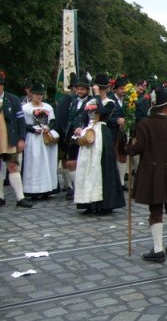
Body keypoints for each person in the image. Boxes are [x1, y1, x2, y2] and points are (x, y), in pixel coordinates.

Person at [127, 88, 167, 263]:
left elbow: (134, 149)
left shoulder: (143, 125)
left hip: (152, 172)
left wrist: (128, 141)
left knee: (156, 211)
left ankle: (158, 249)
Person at [74, 73, 125, 215]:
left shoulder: (110, 102)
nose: (99, 91)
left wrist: (96, 96)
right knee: (87, 167)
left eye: (101, 89)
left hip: (102, 133)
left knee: (101, 167)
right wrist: (79, 127)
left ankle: (104, 203)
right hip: (89, 133)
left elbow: (102, 112)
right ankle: (89, 202)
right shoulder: (88, 103)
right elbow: (83, 117)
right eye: (98, 89)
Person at [21, 82, 60, 199]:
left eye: (41, 95)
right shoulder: (25, 108)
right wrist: (32, 130)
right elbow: (22, 123)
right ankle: (33, 188)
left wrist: (49, 127)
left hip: (46, 136)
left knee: (48, 162)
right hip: (33, 138)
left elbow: (53, 120)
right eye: (37, 94)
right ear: (31, 94)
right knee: (34, 162)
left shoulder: (48, 107)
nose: (39, 97)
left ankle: (48, 187)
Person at [0, 70, 32, 207]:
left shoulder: (12, 99)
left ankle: (20, 198)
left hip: (9, 138)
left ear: (3, 85)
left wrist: (21, 139)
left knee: (13, 166)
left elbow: (20, 121)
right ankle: (0, 197)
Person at [61, 71, 92, 200]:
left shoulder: (91, 102)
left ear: (87, 90)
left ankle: (82, 187)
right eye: (78, 89)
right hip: (71, 135)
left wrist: (83, 129)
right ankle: (76, 186)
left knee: (83, 163)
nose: (79, 91)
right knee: (70, 163)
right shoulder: (73, 102)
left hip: (84, 136)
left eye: (82, 89)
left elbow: (92, 119)